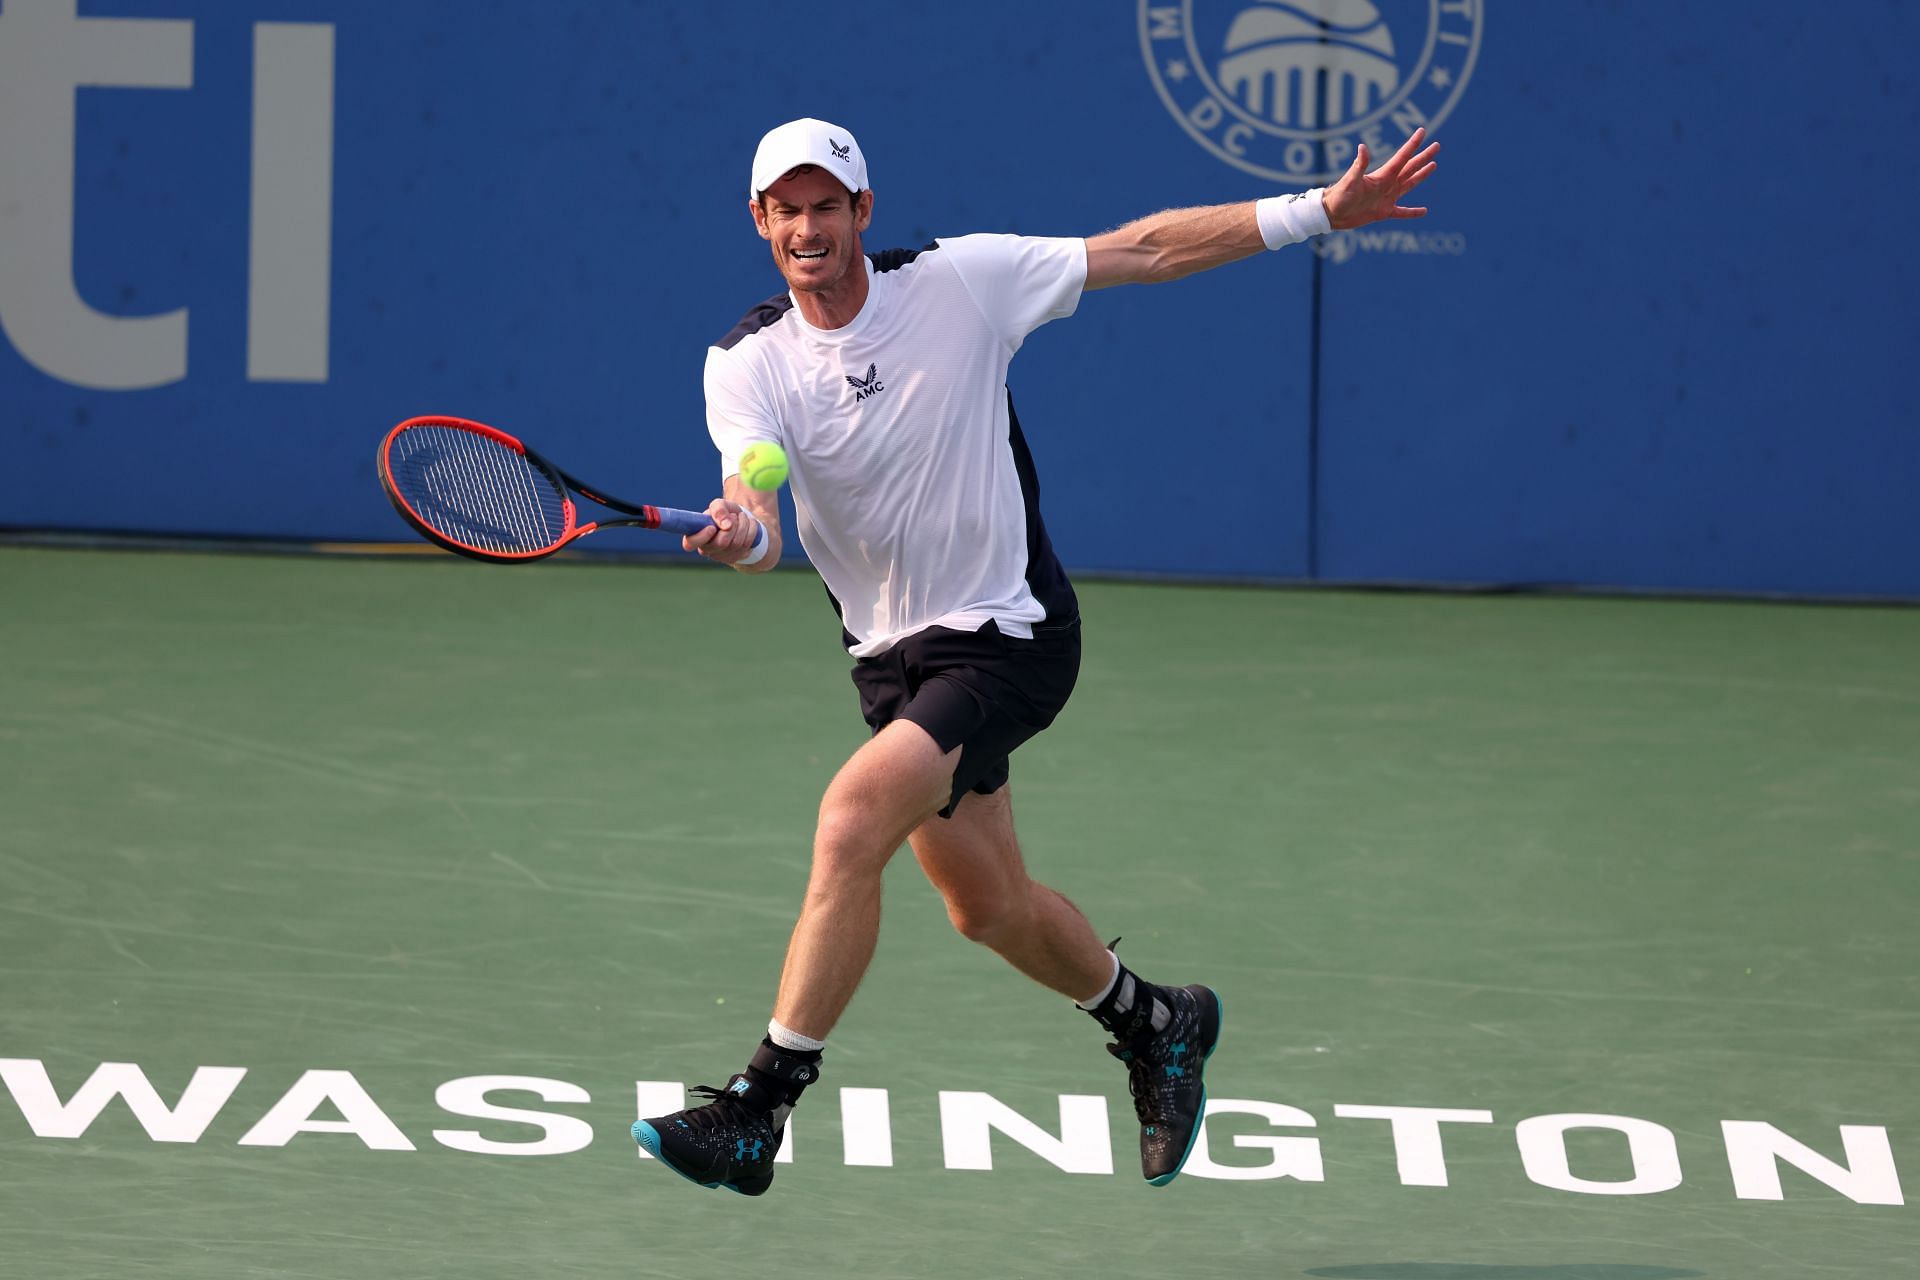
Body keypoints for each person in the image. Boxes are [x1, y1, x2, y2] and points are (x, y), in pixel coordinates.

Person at [630, 117, 1440, 1194]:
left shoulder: (962, 282)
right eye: (791, 209)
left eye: (831, 205)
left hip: (1008, 631)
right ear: (761, 222)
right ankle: (1158, 1022)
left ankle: (757, 1107)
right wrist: (743, 534)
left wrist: (1318, 211)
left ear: (864, 213)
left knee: (850, 820)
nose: (811, 226)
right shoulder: (746, 364)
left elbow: (1143, 247)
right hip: (891, 660)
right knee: (989, 907)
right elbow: (758, 508)